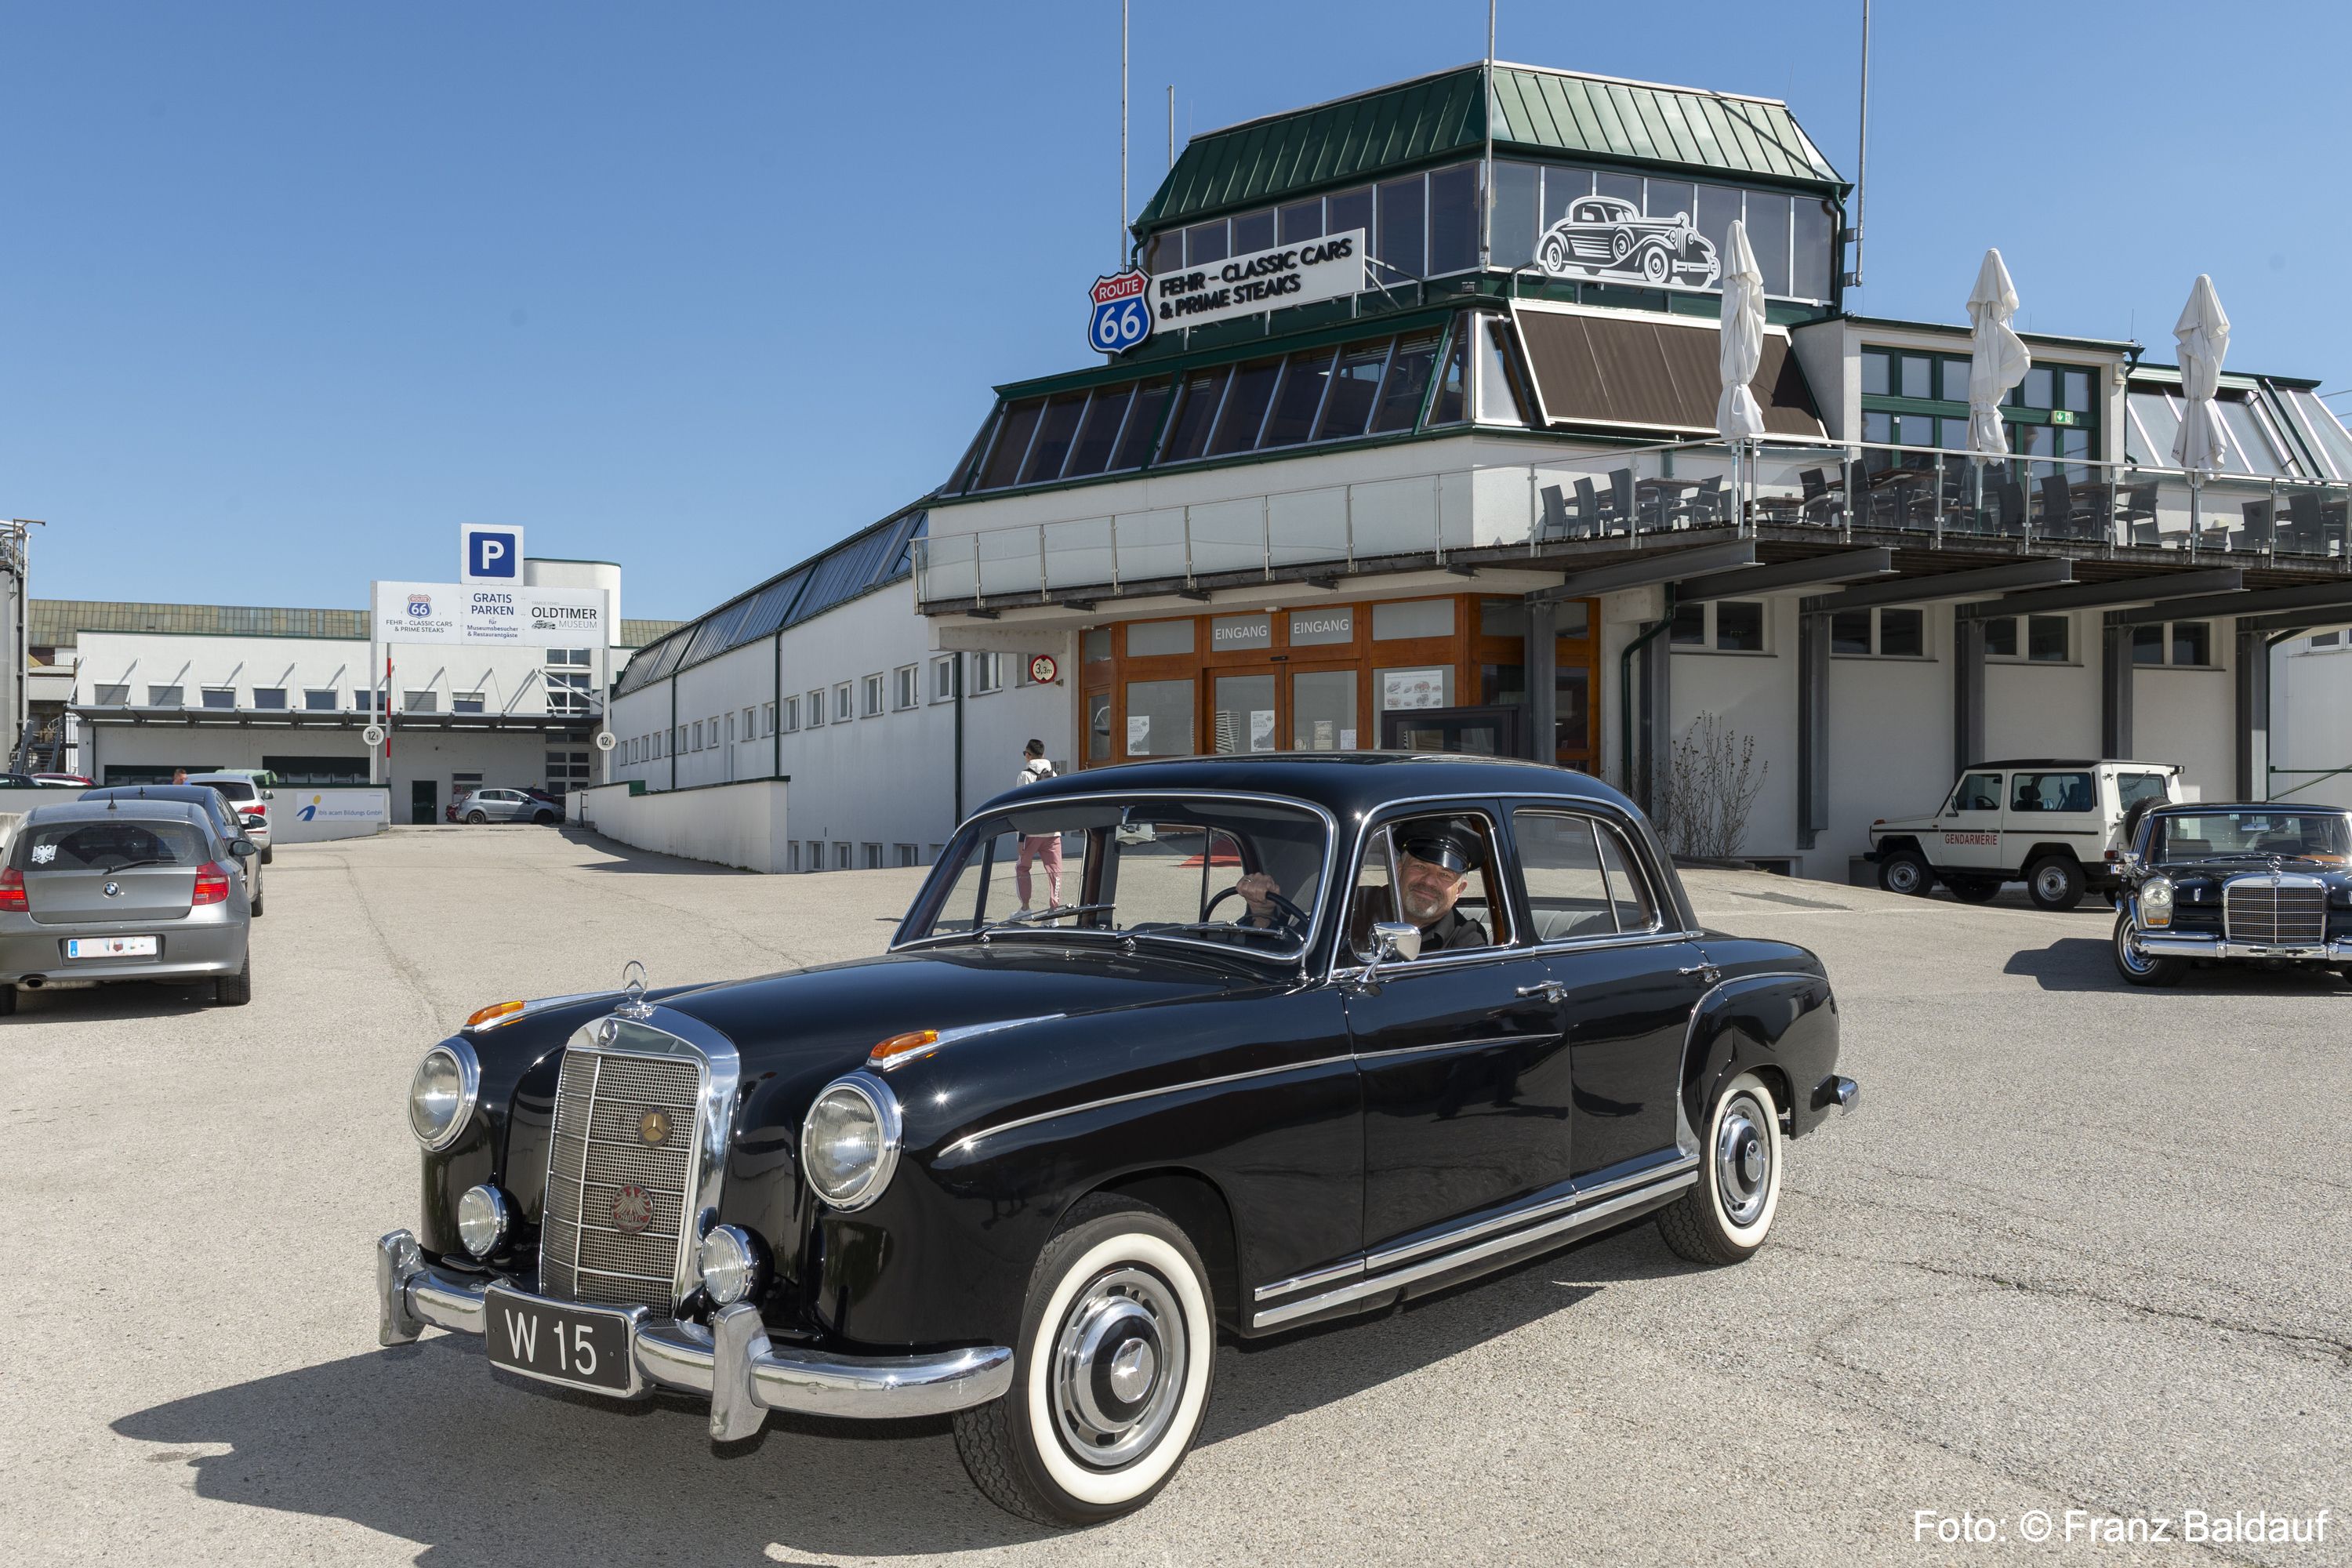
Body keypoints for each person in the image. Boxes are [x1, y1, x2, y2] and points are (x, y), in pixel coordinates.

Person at [1238, 817, 1490, 953]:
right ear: (1398, 870)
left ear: (1460, 890)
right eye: (1420, 867)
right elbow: (1292, 953)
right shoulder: (1355, 904)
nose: (1429, 881)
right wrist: (1263, 914)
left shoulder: (1467, 938)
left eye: (1445, 875)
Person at [1012, 740, 1061, 911]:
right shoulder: (1053, 774)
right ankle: (1054, 912)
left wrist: (1021, 837)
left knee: (1022, 868)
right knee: (1055, 872)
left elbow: (1021, 807)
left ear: (1028, 755)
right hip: (1053, 832)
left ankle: (1025, 908)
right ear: (1043, 755)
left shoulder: (1025, 775)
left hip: (1031, 832)